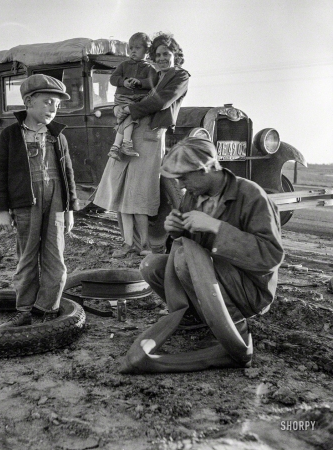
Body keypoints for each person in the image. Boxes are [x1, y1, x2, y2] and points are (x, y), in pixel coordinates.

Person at [119, 137, 285, 373]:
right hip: (210, 279)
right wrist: (176, 229)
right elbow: (188, 244)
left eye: (184, 177)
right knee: (151, 265)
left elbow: (270, 257)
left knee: (186, 261)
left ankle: (233, 327)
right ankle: (197, 318)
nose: (180, 184)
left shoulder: (251, 195)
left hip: (249, 289)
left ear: (205, 169)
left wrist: (215, 227)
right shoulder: (194, 195)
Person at [0, 74, 79, 328]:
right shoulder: (10, 135)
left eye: (57, 105)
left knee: (56, 258)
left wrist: (71, 209)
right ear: (29, 102)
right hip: (25, 202)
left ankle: (47, 310)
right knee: (27, 257)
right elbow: (0, 174)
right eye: (48, 102)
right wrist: (2, 210)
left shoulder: (57, 136)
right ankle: (25, 310)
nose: (53, 109)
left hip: (56, 202)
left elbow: (68, 174)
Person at [94, 32, 190, 258]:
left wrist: (127, 109)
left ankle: (145, 245)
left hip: (149, 136)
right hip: (130, 130)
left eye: (167, 54)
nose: (162, 58)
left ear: (175, 55)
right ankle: (128, 243)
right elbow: (128, 91)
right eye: (158, 54)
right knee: (121, 189)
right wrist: (118, 109)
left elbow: (159, 101)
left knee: (140, 193)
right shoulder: (152, 73)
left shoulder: (180, 77)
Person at [108, 32, 157, 161]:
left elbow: (153, 82)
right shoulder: (123, 65)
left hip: (137, 100)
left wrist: (140, 82)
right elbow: (113, 79)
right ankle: (125, 144)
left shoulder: (150, 68)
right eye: (131, 48)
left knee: (128, 118)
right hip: (123, 98)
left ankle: (115, 147)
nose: (133, 51)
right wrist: (123, 82)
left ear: (146, 51)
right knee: (130, 117)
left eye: (137, 48)